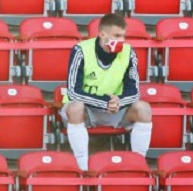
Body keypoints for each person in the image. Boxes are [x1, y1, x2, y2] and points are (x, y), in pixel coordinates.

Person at [61, 13, 152, 170]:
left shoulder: (129, 52)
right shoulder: (81, 50)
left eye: (123, 36)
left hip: (115, 110)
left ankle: (139, 165)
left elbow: (134, 91)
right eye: (117, 35)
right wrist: (105, 103)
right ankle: (83, 169)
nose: (121, 41)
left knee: (143, 108)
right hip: (86, 111)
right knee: (75, 107)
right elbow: (73, 92)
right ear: (102, 34)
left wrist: (117, 103)